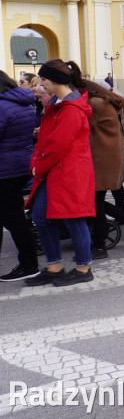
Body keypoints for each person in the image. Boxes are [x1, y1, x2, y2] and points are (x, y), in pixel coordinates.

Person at [24, 59, 96, 287]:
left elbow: (57, 145)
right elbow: (47, 140)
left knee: (74, 219)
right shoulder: (59, 103)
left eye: (44, 80)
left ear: (55, 81)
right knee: (40, 217)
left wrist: (38, 167)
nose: (41, 84)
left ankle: (83, 268)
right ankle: (54, 266)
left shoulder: (71, 108)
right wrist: (38, 162)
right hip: (54, 170)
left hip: (68, 172)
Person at [84, 77, 124, 258]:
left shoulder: (96, 103)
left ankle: (100, 245)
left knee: (95, 201)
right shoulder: (105, 101)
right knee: (96, 201)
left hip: (101, 159)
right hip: (105, 158)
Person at [0, 70, 40, 282]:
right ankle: (29, 262)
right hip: (20, 164)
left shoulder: (2, 106)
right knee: (13, 217)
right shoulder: (24, 103)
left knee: (14, 219)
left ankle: (29, 265)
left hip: (5, 169)